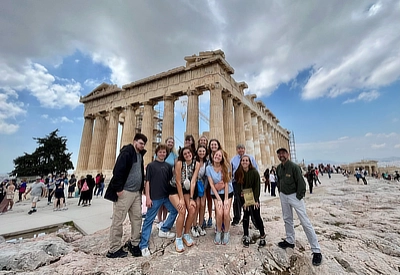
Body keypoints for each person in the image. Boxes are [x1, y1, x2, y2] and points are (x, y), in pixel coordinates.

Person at [276, 147, 322, 266]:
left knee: (305, 221)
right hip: (283, 195)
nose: (281, 155)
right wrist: (280, 192)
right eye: (279, 153)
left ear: (288, 154)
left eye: (283, 153)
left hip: (294, 196)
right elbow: (279, 180)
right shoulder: (279, 168)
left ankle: (316, 250)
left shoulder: (294, 167)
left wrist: (299, 196)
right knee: (287, 219)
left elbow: (301, 183)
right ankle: (290, 240)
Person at [104, 133, 148, 258]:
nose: (142, 145)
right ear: (134, 141)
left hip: (136, 193)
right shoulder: (127, 152)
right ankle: (114, 249)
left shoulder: (140, 154)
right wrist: (119, 190)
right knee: (118, 220)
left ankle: (134, 244)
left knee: (137, 219)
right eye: (140, 143)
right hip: (125, 192)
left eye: (144, 144)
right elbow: (117, 170)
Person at [139, 144, 178, 257]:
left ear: (166, 154)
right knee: (148, 221)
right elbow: (148, 182)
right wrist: (148, 197)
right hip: (154, 198)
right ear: (157, 153)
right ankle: (144, 246)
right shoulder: (151, 165)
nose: (162, 154)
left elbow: (171, 181)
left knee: (175, 211)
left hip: (166, 197)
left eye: (164, 152)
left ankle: (164, 229)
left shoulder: (167, 166)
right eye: (160, 152)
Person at [169, 146, 200, 252]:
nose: (187, 155)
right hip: (174, 189)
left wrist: (191, 198)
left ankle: (186, 234)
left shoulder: (197, 164)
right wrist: (181, 199)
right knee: (181, 210)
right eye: (185, 153)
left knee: (192, 209)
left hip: (186, 189)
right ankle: (178, 238)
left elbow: (193, 182)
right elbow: (178, 181)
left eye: (189, 153)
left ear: (192, 153)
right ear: (182, 155)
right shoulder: (179, 163)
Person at [234, 155, 266, 247]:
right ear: (240, 162)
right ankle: (246, 235)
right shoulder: (238, 173)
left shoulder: (254, 172)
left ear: (249, 162)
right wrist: (244, 202)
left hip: (254, 196)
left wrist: (255, 200)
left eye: (246, 160)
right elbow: (238, 187)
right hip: (244, 197)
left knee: (256, 216)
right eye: (243, 160)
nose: (244, 162)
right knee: (246, 215)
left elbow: (257, 187)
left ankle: (262, 235)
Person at [206, 149, 233, 245]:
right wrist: (218, 199)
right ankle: (218, 231)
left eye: (219, 156)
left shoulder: (225, 167)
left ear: (222, 158)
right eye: (216, 155)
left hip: (227, 192)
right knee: (219, 212)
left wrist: (225, 199)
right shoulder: (208, 168)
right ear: (213, 156)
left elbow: (226, 182)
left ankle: (226, 232)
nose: (217, 157)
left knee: (226, 212)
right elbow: (211, 185)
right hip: (215, 193)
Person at [230, 143, 259, 226]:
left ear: (244, 149)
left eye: (242, 148)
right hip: (237, 182)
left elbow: (255, 169)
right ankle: (237, 218)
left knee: (251, 200)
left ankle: (255, 220)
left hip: (248, 182)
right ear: (237, 150)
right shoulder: (233, 159)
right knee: (237, 200)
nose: (241, 150)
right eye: (239, 148)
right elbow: (231, 171)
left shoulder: (250, 158)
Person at [157, 136, 177, 228]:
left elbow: (176, 167)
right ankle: (159, 220)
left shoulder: (174, 155)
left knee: (166, 200)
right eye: (169, 142)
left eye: (172, 142)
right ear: (166, 142)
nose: (170, 144)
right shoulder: (161, 152)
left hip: (169, 179)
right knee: (160, 201)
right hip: (160, 178)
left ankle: (164, 219)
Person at [191, 144, 208, 237]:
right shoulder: (194, 161)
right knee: (196, 205)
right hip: (195, 185)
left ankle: (200, 225)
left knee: (202, 205)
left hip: (203, 185)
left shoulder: (207, 162)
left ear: (206, 152)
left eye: (203, 151)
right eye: (200, 151)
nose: (202, 153)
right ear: (197, 152)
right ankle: (194, 226)